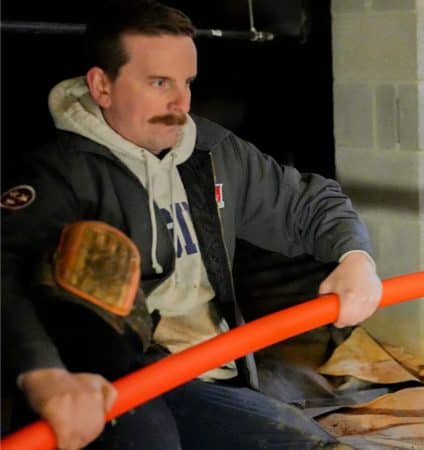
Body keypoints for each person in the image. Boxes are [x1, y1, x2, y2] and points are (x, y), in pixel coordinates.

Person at [1, 1, 382, 449]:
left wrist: (355, 257)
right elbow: (5, 273)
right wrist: (43, 376)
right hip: (119, 385)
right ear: (101, 86)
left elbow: (310, 202)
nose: (179, 103)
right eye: (159, 82)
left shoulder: (213, 152)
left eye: (187, 83)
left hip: (218, 376)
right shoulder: (59, 176)